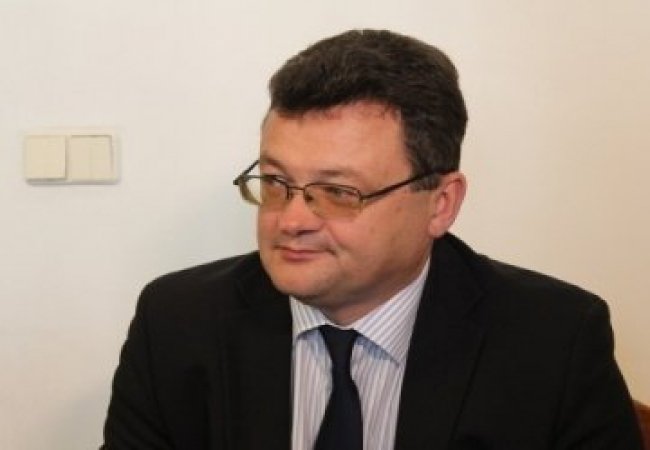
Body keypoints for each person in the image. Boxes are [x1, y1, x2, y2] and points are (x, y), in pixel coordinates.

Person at [101, 29, 643, 449]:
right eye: (276, 183)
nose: (291, 220)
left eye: (338, 192)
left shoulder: (554, 341)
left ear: (441, 203)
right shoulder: (177, 323)